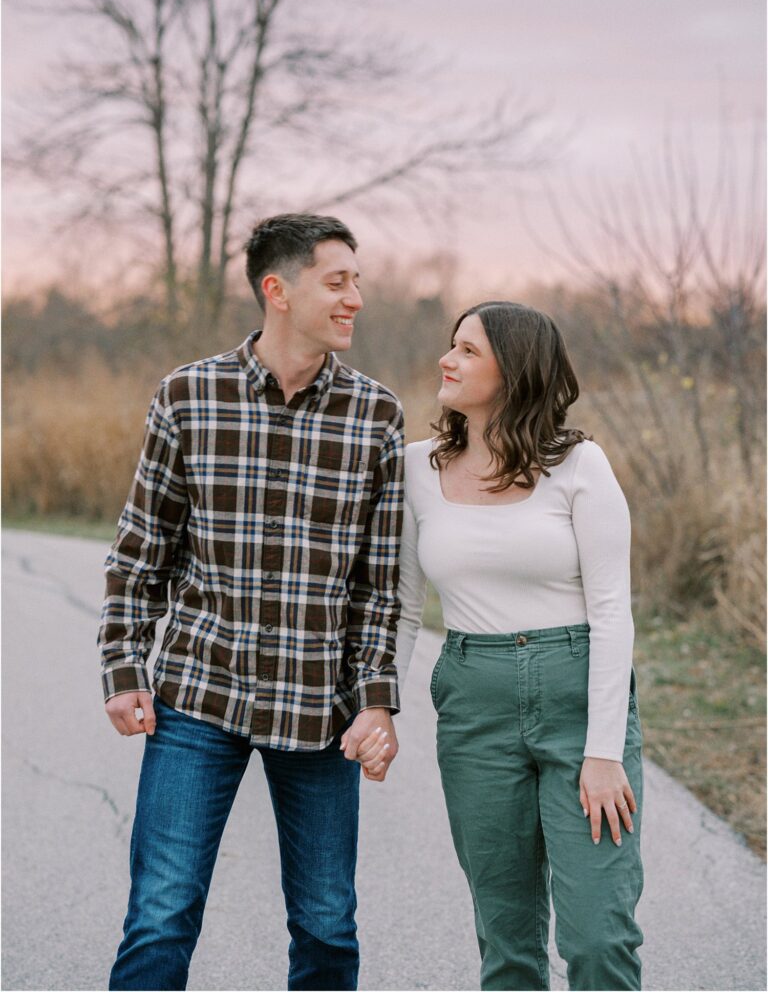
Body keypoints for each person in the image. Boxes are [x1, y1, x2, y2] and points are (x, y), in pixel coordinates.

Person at [98, 213, 402, 992]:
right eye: (337, 282)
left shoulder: (377, 417)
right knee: (160, 915)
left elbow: (380, 582)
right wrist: (123, 668)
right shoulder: (190, 395)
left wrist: (376, 702)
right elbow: (141, 549)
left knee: (328, 924)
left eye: (356, 282)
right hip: (199, 698)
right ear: (278, 290)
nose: (355, 299)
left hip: (319, 712)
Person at [394, 301, 644, 991]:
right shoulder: (417, 467)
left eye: (468, 350)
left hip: (576, 693)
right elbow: (404, 607)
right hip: (475, 704)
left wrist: (602, 752)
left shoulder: (579, 465)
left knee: (598, 938)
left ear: (516, 369)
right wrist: (379, 706)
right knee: (507, 942)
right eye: (451, 345)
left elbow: (612, 611)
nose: (447, 359)